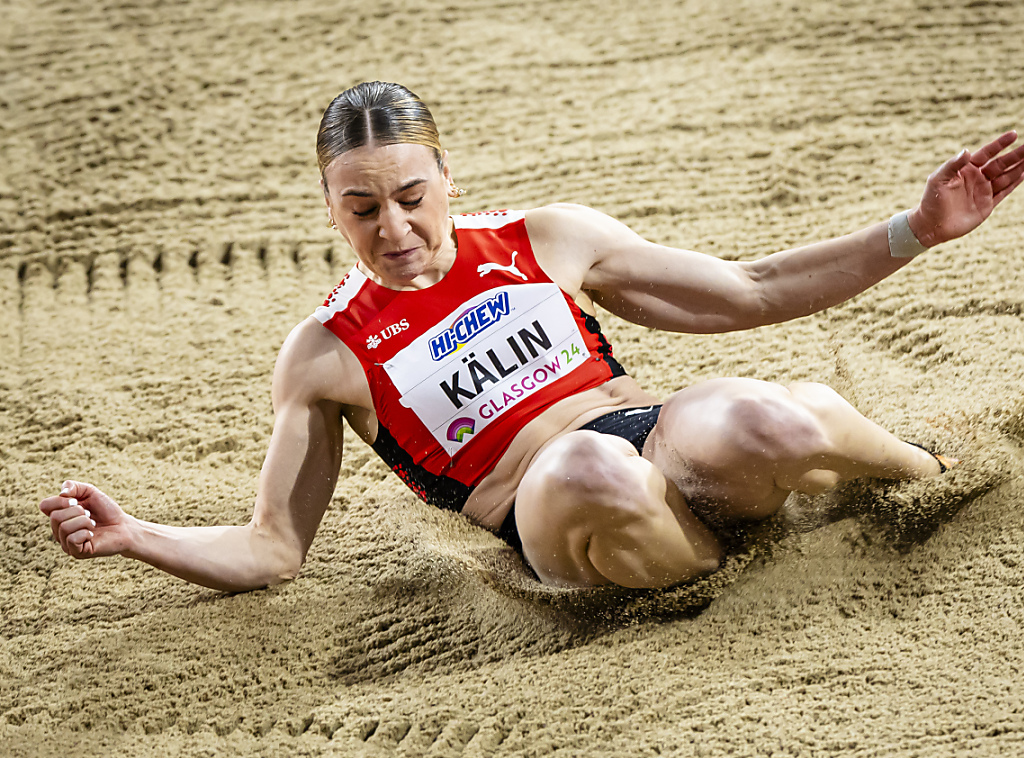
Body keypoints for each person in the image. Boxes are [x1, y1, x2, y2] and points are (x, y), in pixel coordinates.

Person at [40, 82, 1024, 592]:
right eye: (362, 208)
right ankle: (741, 586)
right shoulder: (326, 354)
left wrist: (915, 231)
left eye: (411, 198)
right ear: (332, 209)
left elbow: (753, 288)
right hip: (555, 510)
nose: (394, 230)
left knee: (757, 416)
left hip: (658, 442)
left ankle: (933, 478)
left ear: (447, 180)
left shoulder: (543, 241)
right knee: (584, 473)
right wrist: (139, 539)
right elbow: (272, 549)